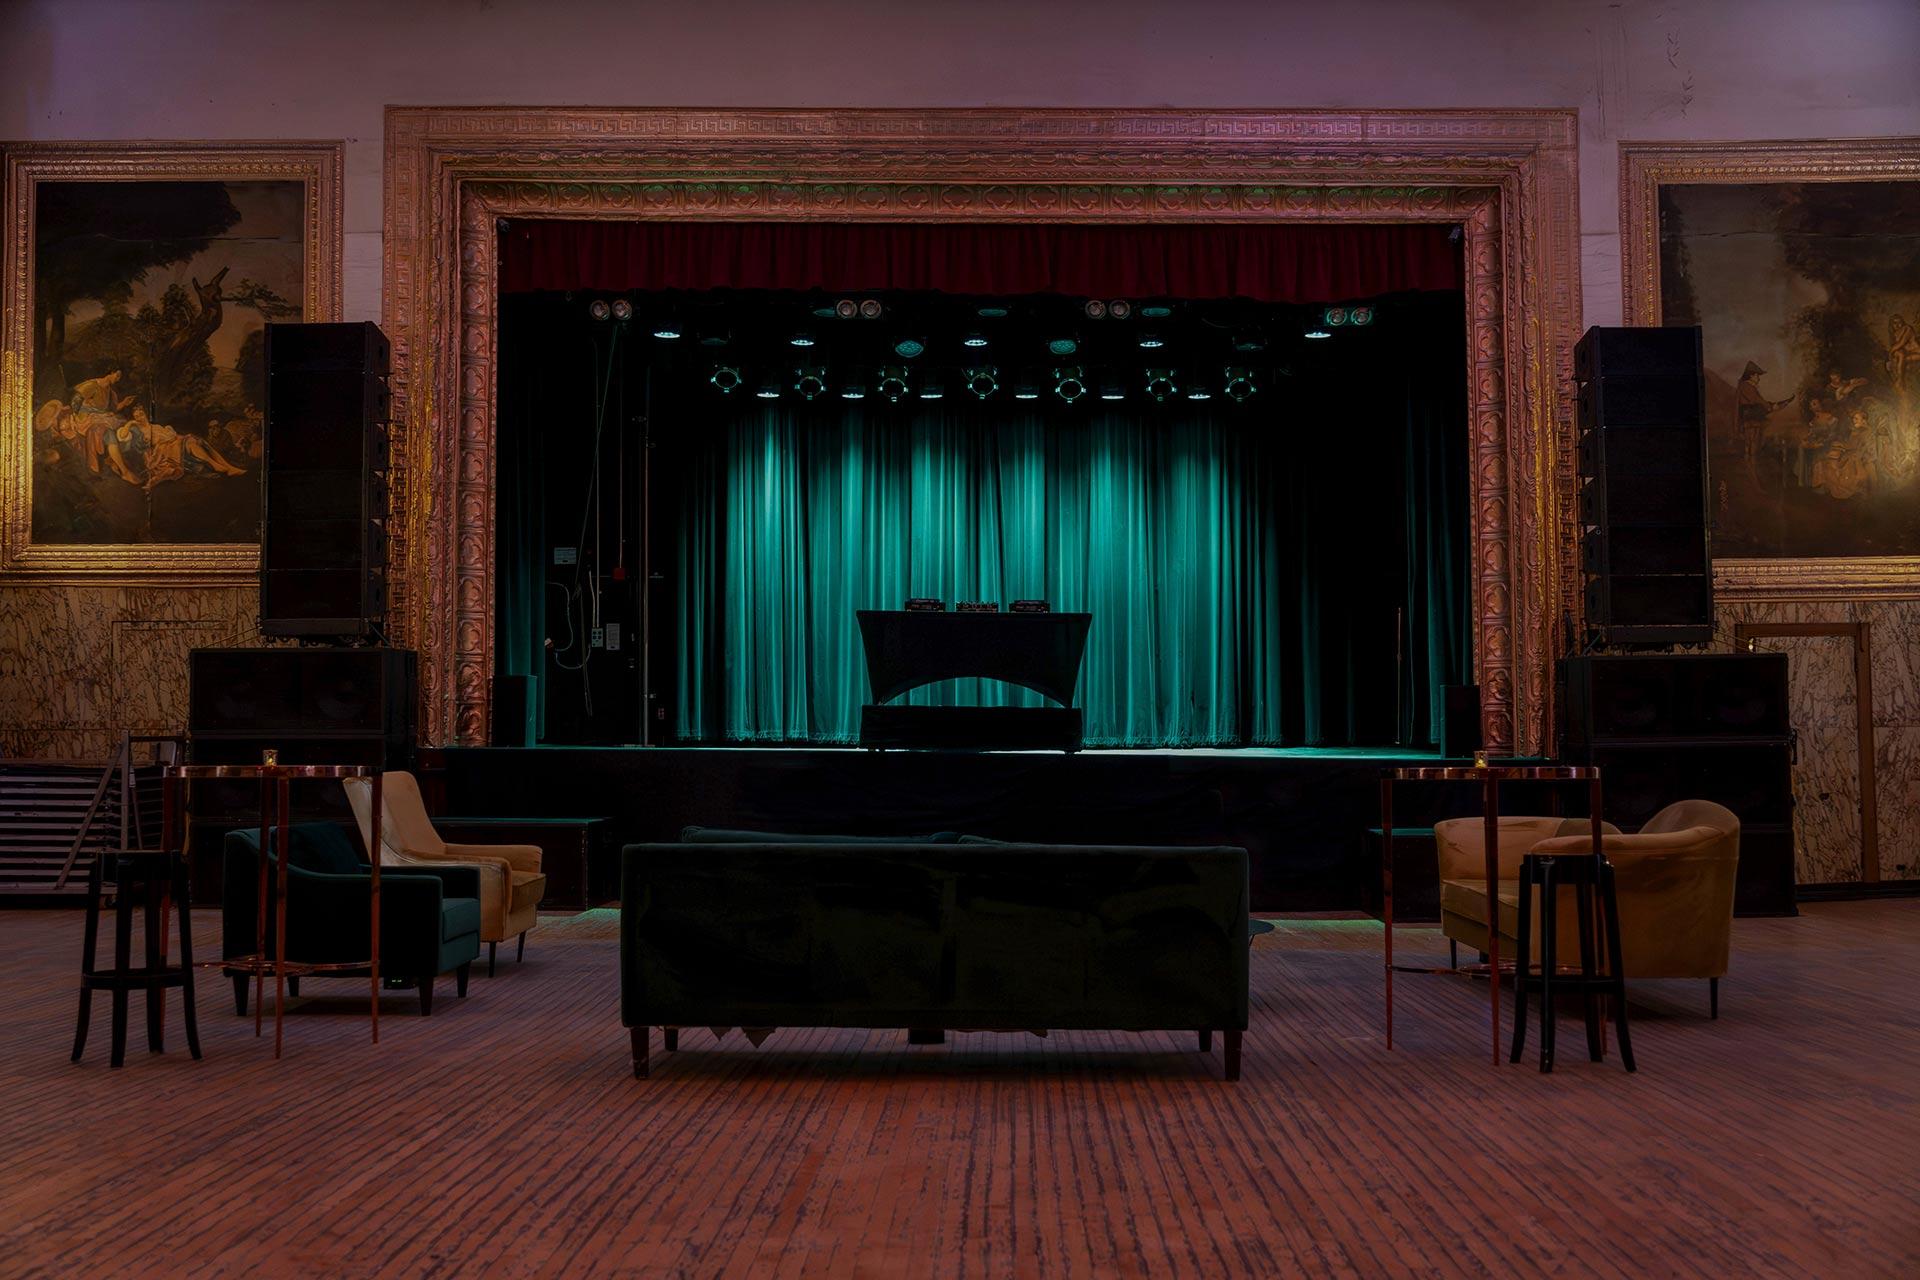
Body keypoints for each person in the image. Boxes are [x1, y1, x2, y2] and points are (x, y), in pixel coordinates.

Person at [1735, 360, 1794, 473]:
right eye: (1757, 375)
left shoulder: (1747, 387)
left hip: (1751, 422)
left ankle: (1751, 472)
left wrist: (1774, 406)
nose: (1758, 378)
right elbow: (1759, 402)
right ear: (1751, 375)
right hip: (1751, 422)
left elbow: (1760, 403)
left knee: (1751, 447)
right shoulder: (1747, 387)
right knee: (1752, 448)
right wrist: (1771, 406)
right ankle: (1751, 472)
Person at [1889, 315, 1920, 393]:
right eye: (1895, 323)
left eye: (1899, 322)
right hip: (1908, 354)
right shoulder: (1895, 333)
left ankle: (1900, 380)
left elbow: (1901, 343)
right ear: (1892, 324)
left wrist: (1890, 353)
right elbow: (1897, 348)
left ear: (1902, 322)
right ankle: (1900, 382)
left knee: (1901, 355)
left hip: (1917, 353)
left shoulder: (1907, 329)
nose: (1897, 325)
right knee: (1900, 354)